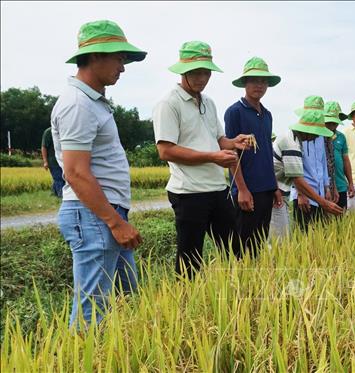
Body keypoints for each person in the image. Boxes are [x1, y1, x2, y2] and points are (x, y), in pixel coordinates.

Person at [51, 20, 146, 327]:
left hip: (102, 213)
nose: (123, 67)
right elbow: (76, 173)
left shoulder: (94, 102)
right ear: (95, 57)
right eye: (119, 58)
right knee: (93, 307)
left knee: (128, 294)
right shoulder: (77, 104)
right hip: (94, 216)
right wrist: (115, 222)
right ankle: (86, 358)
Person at [153, 41, 249, 278]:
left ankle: (235, 297)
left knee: (235, 251)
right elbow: (165, 151)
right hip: (189, 192)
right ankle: (186, 307)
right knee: (190, 259)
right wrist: (212, 157)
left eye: (206, 72)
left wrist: (233, 142)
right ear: (182, 71)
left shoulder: (208, 102)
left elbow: (218, 140)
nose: (202, 78)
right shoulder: (169, 104)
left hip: (217, 188)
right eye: (196, 72)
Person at [224, 56, 282, 257]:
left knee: (259, 242)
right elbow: (232, 153)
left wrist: (274, 187)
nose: (259, 85)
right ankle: (239, 284)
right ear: (245, 83)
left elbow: (267, 152)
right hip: (247, 190)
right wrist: (241, 189)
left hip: (266, 188)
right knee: (242, 245)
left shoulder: (267, 114)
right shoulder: (235, 112)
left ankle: (257, 283)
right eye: (254, 80)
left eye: (263, 81)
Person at [290, 103, 344, 230]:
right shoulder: (295, 137)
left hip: (319, 193)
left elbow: (323, 164)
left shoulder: (320, 136)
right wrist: (300, 194)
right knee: (303, 232)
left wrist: (326, 188)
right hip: (304, 194)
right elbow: (294, 172)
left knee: (319, 232)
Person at [324, 101, 354, 209]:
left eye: (335, 122)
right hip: (325, 186)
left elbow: (345, 160)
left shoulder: (341, 137)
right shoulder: (318, 137)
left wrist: (350, 182)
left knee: (341, 220)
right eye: (329, 122)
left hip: (341, 185)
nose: (332, 125)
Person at [41, 127, 65, 197]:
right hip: (53, 162)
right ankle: (61, 196)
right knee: (59, 178)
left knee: (61, 178)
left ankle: (54, 194)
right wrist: (45, 161)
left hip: (64, 161)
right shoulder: (48, 132)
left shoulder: (64, 129)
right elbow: (44, 147)